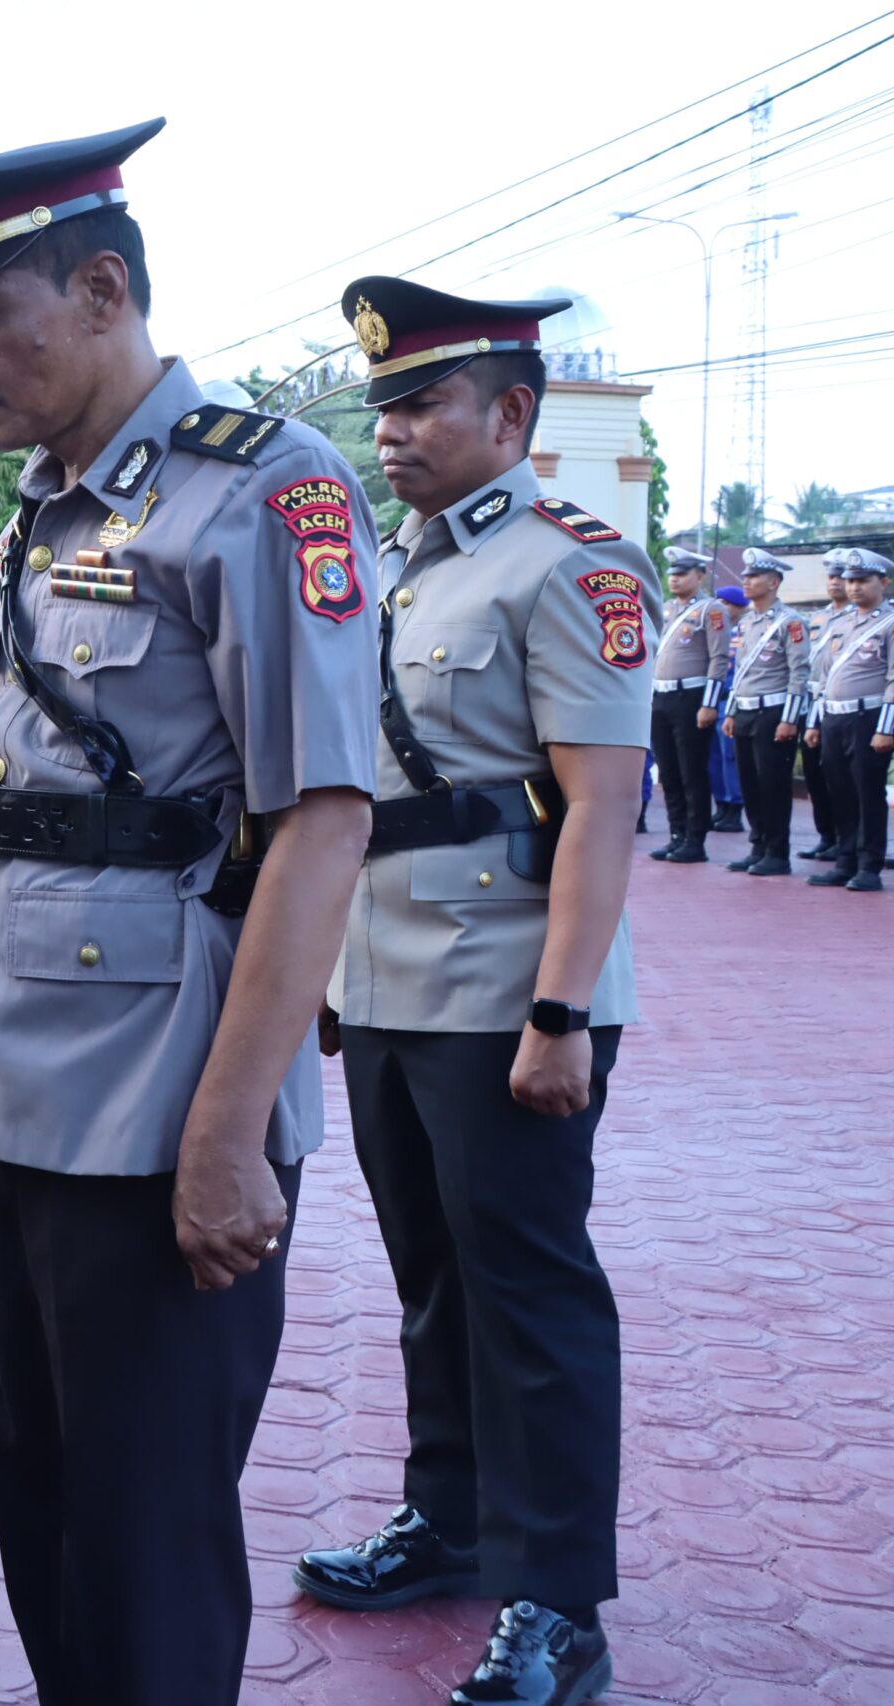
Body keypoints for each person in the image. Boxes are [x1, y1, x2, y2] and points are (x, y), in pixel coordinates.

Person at [0, 119, 380, 1704]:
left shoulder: (261, 489)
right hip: (24, 1078)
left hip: (161, 1098)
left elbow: (323, 820)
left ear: (99, 290)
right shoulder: (52, 498)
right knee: (51, 1502)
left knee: (146, 1536)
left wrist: (230, 1133)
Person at [299, 277, 657, 1706]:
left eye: (424, 400)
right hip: (388, 979)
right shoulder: (403, 564)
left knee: (531, 1290)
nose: (392, 429)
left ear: (512, 414)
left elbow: (599, 811)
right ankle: (449, 1520)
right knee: (431, 1280)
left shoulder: (572, 566)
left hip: (513, 988)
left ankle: (560, 1600)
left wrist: (562, 1012)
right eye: (382, 403)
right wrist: (331, 970)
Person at [803, 547, 892, 892]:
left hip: (868, 718)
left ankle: (869, 866)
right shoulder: (839, 623)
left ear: (883, 582)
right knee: (838, 791)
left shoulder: (889, 622)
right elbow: (823, 679)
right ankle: (845, 860)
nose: (854, 587)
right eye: (850, 580)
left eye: (863, 580)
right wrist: (814, 722)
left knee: (867, 793)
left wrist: (886, 729)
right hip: (834, 718)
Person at [720, 549, 809, 875]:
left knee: (772, 785)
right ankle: (758, 846)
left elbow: (799, 673)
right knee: (750, 784)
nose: (746, 581)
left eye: (753, 576)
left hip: (773, 713)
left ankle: (777, 852)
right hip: (744, 710)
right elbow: (739, 670)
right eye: (745, 576)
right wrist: (730, 712)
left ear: (773, 582)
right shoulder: (747, 622)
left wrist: (790, 719)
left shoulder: (790, 622)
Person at [645, 545, 725, 863]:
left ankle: (695, 838)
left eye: (683, 574)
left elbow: (718, 659)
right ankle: (676, 834)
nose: (675, 580)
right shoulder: (665, 609)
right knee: (669, 772)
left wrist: (709, 704)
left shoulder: (711, 610)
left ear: (700, 575)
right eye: (673, 574)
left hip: (690, 697)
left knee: (692, 771)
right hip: (661, 697)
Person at [801, 552, 861, 863]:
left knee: (843, 777)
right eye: (832, 577)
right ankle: (827, 836)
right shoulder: (818, 617)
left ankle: (849, 839)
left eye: (842, 576)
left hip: (844, 702)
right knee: (815, 772)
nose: (836, 582)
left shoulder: (862, 617)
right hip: (814, 700)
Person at [705, 583, 747, 834]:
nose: (720, 607)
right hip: (712, 699)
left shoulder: (745, 632)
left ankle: (735, 808)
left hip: (732, 701)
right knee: (713, 758)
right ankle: (721, 804)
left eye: (725, 603)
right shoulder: (720, 631)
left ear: (738, 607)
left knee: (730, 757)